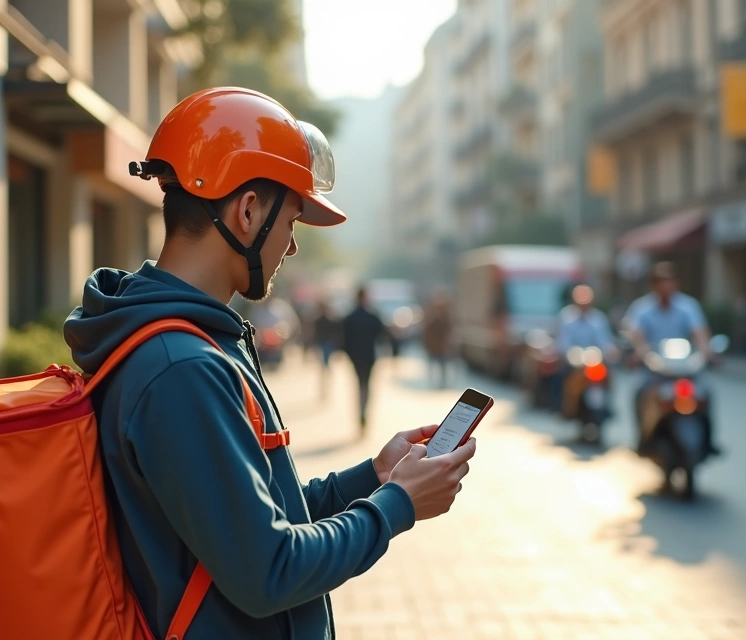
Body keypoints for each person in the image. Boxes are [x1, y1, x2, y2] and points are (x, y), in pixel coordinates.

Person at [65, 87, 476, 639]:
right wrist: (397, 505)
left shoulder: (191, 346)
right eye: (292, 221)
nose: (292, 245)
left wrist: (375, 478)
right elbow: (270, 570)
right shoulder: (181, 367)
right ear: (248, 211)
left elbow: (253, 517)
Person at [622, 262, 717, 455]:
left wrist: (707, 352)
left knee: (706, 392)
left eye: (670, 281)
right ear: (654, 285)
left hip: (684, 368)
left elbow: (700, 333)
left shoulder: (688, 306)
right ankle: (643, 439)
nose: (666, 285)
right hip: (656, 371)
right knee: (640, 392)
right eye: (662, 281)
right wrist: (641, 353)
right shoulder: (642, 309)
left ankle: (709, 442)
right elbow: (637, 335)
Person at [551, 285, 618, 411]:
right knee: (560, 376)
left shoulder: (598, 319)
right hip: (574, 363)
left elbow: (605, 341)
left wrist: (611, 351)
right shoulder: (566, 318)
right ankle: (564, 407)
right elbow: (563, 343)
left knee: (609, 376)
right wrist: (569, 354)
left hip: (594, 362)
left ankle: (608, 406)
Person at [341, 286, 394, 431]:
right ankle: (364, 410)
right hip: (369, 356)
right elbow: (384, 335)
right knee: (367, 385)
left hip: (355, 357)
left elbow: (343, 340)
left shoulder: (350, 317)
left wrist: (347, 354)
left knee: (359, 384)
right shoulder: (373, 316)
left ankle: (361, 410)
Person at [421, 292, 454, 389]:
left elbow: (450, 331)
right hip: (432, 346)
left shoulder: (446, 317)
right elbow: (426, 330)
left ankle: (442, 384)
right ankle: (434, 384)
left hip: (441, 347)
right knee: (433, 365)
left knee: (442, 366)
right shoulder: (431, 315)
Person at [311, 299, 340, 397]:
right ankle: (324, 387)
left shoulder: (328, 320)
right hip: (322, 344)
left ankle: (327, 386)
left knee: (325, 365)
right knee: (324, 365)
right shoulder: (319, 320)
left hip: (327, 344)